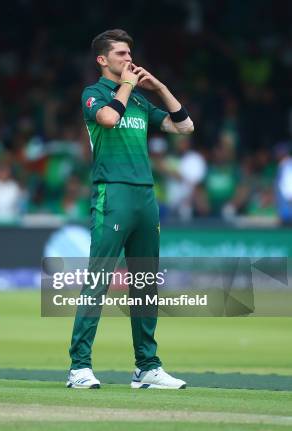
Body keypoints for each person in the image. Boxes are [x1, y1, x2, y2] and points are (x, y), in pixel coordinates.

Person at [67, 29, 194, 390]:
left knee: (144, 283)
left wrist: (160, 88)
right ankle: (79, 367)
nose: (129, 59)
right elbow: (107, 119)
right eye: (121, 54)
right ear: (102, 60)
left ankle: (147, 368)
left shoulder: (139, 101)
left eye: (130, 53)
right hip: (113, 193)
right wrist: (126, 85)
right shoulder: (94, 94)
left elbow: (184, 127)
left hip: (145, 197)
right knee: (98, 280)